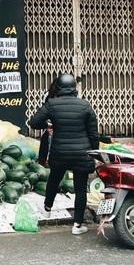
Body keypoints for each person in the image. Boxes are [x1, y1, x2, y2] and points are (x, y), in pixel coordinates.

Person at [28, 73, 99, 235]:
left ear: (58, 88)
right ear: (75, 88)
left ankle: (47, 208)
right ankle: (77, 225)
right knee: (81, 188)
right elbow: (93, 134)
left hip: (60, 152)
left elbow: (34, 122)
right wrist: (95, 154)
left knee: (54, 179)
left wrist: (49, 124)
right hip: (82, 152)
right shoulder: (85, 105)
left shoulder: (52, 104)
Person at [38, 77, 60, 166]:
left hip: (58, 123)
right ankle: (43, 162)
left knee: (47, 141)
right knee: (46, 140)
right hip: (54, 123)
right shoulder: (48, 95)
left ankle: (43, 162)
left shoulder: (48, 95)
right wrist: (48, 125)